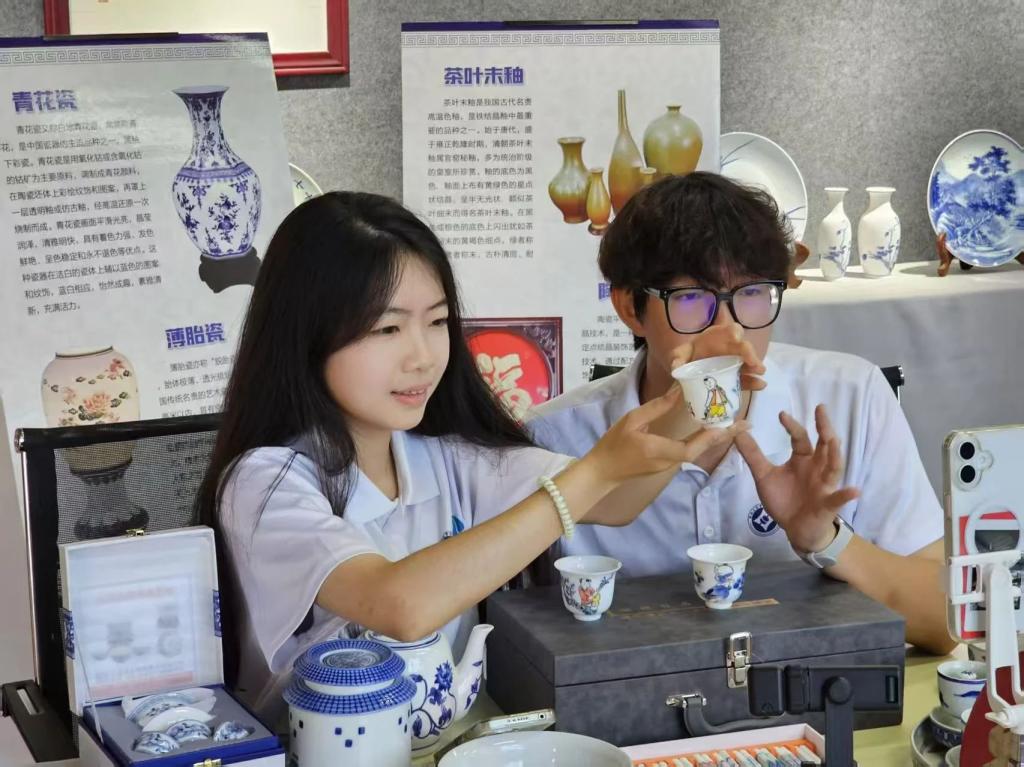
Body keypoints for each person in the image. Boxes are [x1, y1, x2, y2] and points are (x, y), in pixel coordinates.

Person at [196, 191, 755, 727]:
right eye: (387, 328)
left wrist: (700, 386)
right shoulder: (264, 484)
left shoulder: (444, 456)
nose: (423, 356)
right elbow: (398, 605)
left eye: (438, 322)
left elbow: (616, 500)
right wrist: (595, 471)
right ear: (307, 335)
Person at [527, 172, 956, 654]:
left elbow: (946, 623)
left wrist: (825, 539)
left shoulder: (851, 397)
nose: (730, 332)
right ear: (630, 308)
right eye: (692, 298)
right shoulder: (554, 436)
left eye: (752, 293)